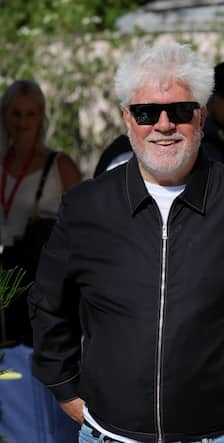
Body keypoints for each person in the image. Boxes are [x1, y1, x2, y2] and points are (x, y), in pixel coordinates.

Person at [29, 41, 224, 443]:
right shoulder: (85, 208)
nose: (164, 124)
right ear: (127, 118)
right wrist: (67, 391)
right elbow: (48, 307)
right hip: (111, 437)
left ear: (199, 117)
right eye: (147, 112)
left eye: (180, 111)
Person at [0, 79, 81, 442]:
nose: (22, 122)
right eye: (15, 114)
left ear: (42, 117)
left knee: (38, 368)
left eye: (30, 114)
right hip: (4, 283)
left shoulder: (60, 165)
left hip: (42, 288)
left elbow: (86, 232)